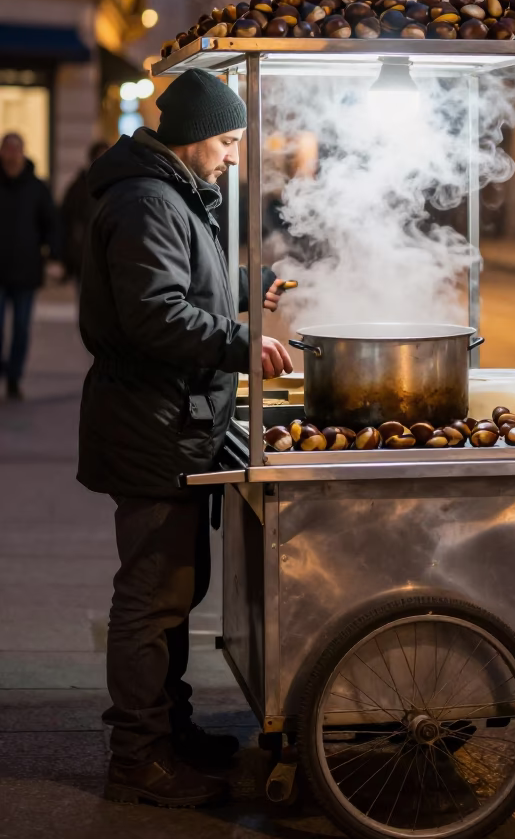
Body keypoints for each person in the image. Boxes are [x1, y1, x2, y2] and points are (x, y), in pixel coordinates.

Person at [77, 70, 292, 809]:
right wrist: (241, 342)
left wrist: (243, 292)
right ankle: (138, 761)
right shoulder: (146, 200)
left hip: (171, 422)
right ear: (198, 136)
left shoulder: (165, 194)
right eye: (229, 142)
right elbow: (155, 315)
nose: (234, 157)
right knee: (151, 597)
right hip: (150, 423)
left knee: (176, 588)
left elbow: (183, 289)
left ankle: (170, 730)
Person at [0, 132, 61, 398]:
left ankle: (14, 377)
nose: (12, 155)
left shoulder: (37, 187)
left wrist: (55, 257)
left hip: (25, 270)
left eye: (16, 150)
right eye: (7, 150)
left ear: (23, 153)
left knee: (22, 329)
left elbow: (52, 225)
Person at [60, 141, 109, 283]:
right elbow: (66, 220)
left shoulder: (118, 185)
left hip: (108, 256)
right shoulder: (79, 188)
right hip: (84, 256)